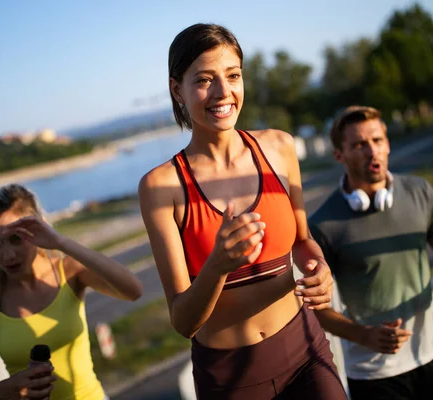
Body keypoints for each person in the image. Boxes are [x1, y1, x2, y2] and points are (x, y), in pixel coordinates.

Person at [138, 23, 347, 399]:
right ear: (177, 90)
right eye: (204, 80)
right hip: (229, 380)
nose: (223, 92)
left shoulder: (280, 147)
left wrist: (320, 269)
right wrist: (217, 265)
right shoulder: (159, 187)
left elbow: (303, 241)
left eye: (233, 76)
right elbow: (183, 321)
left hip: (305, 352)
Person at [308, 105, 433, 400]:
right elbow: (316, 309)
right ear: (340, 155)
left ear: (387, 144)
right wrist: (363, 335)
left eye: (377, 141)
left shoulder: (420, 192)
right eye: (359, 145)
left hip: (429, 357)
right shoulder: (323, 223)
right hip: (372, 376)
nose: (372, 151)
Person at [0, 183, 143, 400]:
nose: (7, 255)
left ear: (38, 229)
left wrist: (59, 241)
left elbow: (133, 290)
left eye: (16, 239)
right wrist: (11, 387)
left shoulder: (68, 272)